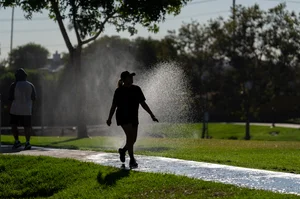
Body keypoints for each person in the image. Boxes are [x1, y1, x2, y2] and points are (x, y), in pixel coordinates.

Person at [107, 71, 158, 168]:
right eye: (129, 77)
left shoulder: (137, 89)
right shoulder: (118, 91)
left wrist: (152, 115)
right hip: (122, 117)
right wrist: (109, 118)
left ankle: (123, 151)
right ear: (124, 79)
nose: (131, 79)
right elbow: (114, 106)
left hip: (134, 116)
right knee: (130, 137)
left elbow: (143, 104)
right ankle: (132, 160)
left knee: (133, 139)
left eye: (132, 77)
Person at [8, 68, 36, 150]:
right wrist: (31, 108)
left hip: (15, 109)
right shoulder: (31, 85)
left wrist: (9, 109)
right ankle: (27, 142)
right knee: (27, 127)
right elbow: (34, 98)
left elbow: (10, 99)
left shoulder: (13, 85)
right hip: (27, 109)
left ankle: (17, 141)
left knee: (14, 125)